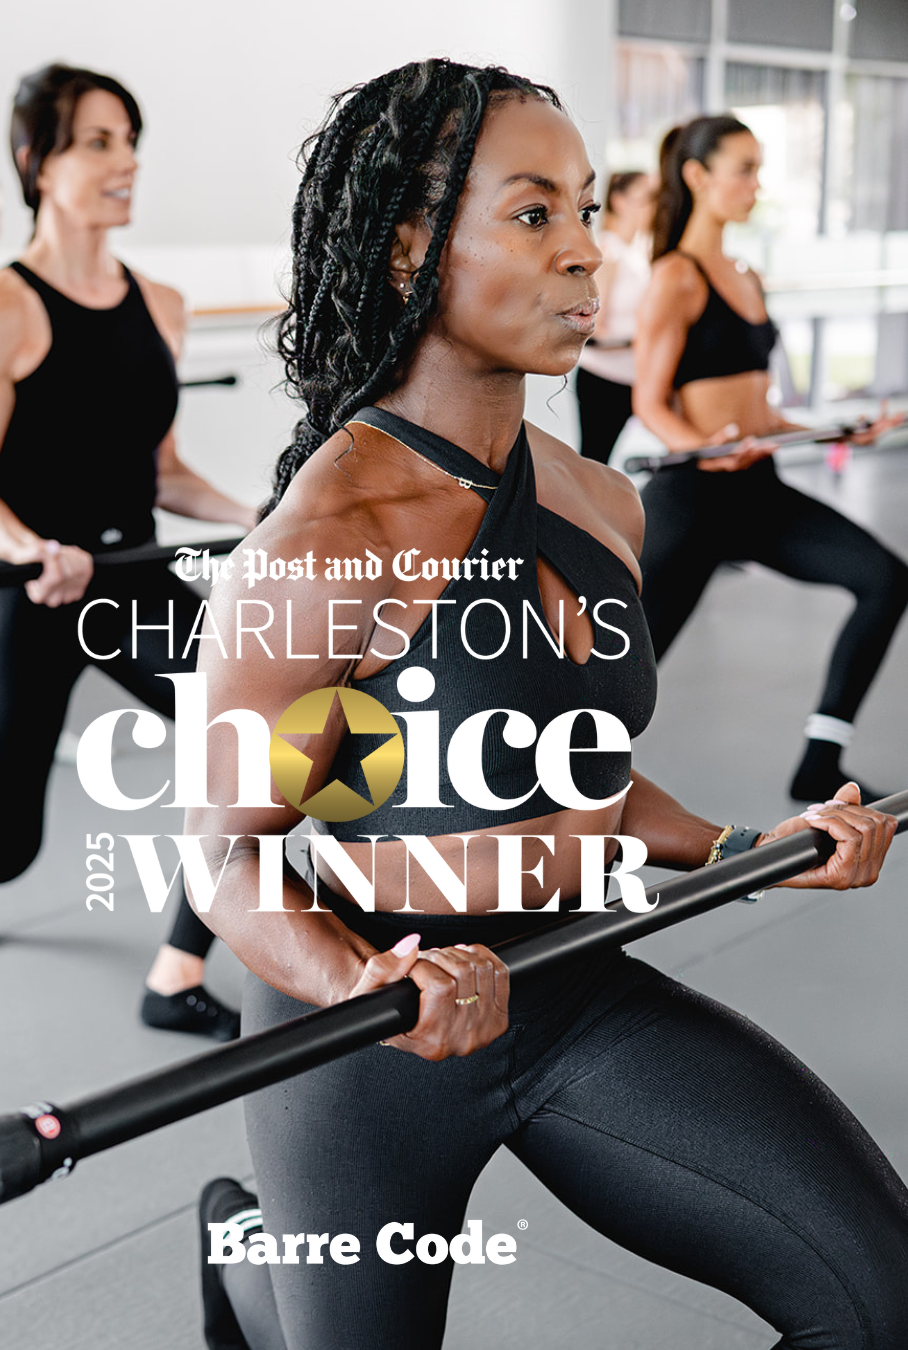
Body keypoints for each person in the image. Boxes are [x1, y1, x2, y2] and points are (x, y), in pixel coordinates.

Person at [187, 61, 908, 1350]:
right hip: (366, 1027)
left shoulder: (601, 501)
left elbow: (584, 774)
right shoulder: (327, 544)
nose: (586, 253)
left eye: (585, 211)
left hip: (567, 981)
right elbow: (229, 859)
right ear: (408, 246)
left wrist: (753, 849)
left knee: (880, 1297)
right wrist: (365, 978)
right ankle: (247, 1265)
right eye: (534, 215)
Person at [0, 64, 255, 1041]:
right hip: (26, 596)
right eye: (99, 142)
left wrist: (260, 516)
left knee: (256, 739)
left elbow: (162, 472)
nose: (127, 161)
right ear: (37, 161)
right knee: (5, 849)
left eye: (131, 141)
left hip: (131, 579)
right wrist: (32, 548)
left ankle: (177, 970)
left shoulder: (161, 305)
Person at [633, 115, 908, 803]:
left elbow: (763, 411)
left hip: (759, 492)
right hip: (694, 500)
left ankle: (820, 759)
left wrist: (834, 431)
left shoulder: (747, 275)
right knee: (625, 672)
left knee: (886, 579)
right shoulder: (676, 276)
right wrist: (702, 449)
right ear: (698, 177)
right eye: (746, 169)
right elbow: (650, 402)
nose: (757, 184)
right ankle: (545, 795)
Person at [574, 170, 655, 464]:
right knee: (594, 464)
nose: (656, 206)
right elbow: (593, 324)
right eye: (649, 198)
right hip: (603, 379)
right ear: (619, 201)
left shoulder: (638, 255)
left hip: (631, 378)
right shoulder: (607, 252)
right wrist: (638, 341)